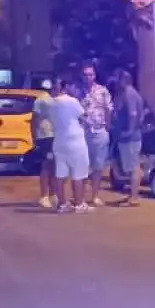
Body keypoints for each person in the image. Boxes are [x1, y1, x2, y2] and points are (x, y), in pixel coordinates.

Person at [47, 78, 92, 213]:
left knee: (60, 174)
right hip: (75, 141)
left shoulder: (51, 103)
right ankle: (79, 204)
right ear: (66, 87)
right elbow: (84, 118)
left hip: (59, 141)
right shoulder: (73, 101)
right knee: (78, 173)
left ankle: (62, 204)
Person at [81, 64, 113, 206]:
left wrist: (107, 126)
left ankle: (95, 196)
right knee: (82, 165)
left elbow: (109, 109)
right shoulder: (77, 92)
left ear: (94, 75)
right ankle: (80, 196)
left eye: (90, 74)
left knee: (98, 166)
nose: (88, 77)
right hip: (83, 132)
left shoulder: (102, 91)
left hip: (100, 131)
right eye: (85, 75)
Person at [113, 70, 145, 207]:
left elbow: (133, 114)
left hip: (130, 137)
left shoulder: (129, 94)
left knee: (133, 167)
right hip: (131, 136)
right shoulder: (132, 93)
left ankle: (134, 197)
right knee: (132, 166)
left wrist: (129, 131)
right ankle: (133, 193)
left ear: (123, 81)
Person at [32, 86, 57, 208]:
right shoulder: (41, 100)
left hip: (57, 136)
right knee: (46, 165)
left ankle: (53, 194)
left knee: (55, 166)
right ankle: (44, 196)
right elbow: (34, 119)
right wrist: (34, 137)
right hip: (45, 136)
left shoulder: (59, 100)